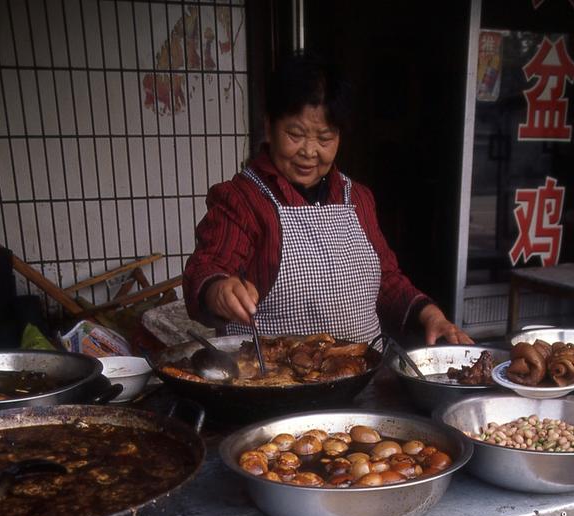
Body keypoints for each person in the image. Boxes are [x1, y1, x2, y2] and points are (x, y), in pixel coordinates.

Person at [183, 53, 472, 347]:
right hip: (271, 385)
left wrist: (430, 314)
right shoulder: (241, 200)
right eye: (295, 134)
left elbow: (385, 279)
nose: (309, 151)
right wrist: (218, 290)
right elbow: (207, 267)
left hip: (359, 379)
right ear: (269, 127)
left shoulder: (357, 197)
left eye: (324, 138)